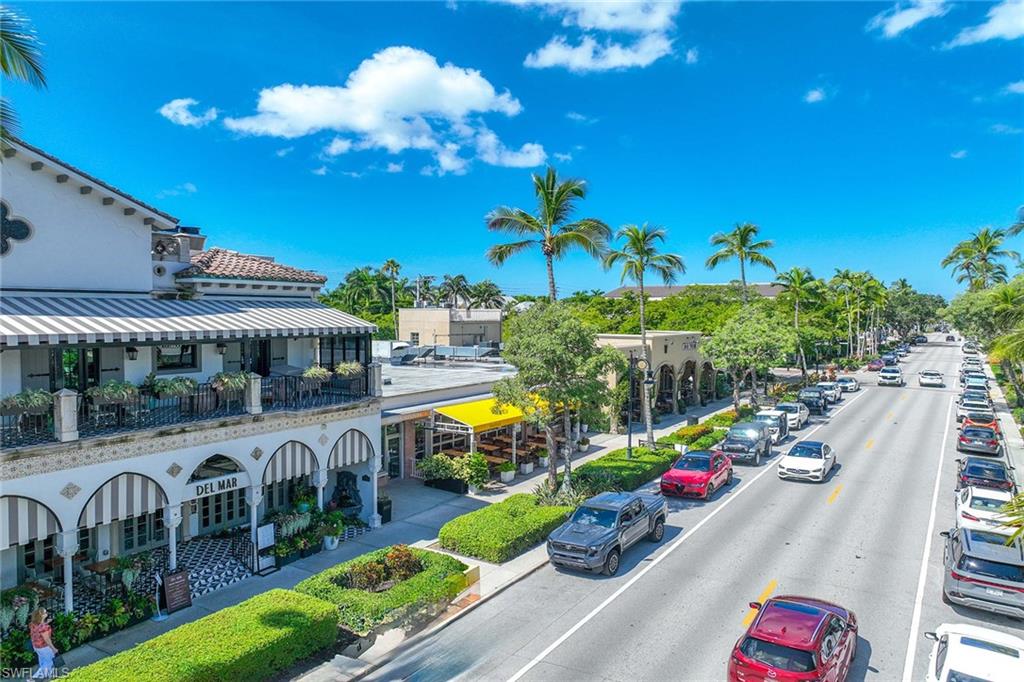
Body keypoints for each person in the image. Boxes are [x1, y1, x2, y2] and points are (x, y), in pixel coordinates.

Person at [29, 607, 58, 679]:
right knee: (49, 661)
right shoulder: (44, 627)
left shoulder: (32, 624)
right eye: (45, 613)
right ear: (41, 615)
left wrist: (45, 622)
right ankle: (34, 678)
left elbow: (38, 628)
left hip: (36, 646)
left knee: (42, 660)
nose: (47, 613)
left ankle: (47, 673)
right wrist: (54, 649)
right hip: (44, 647)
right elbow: (47, 639)